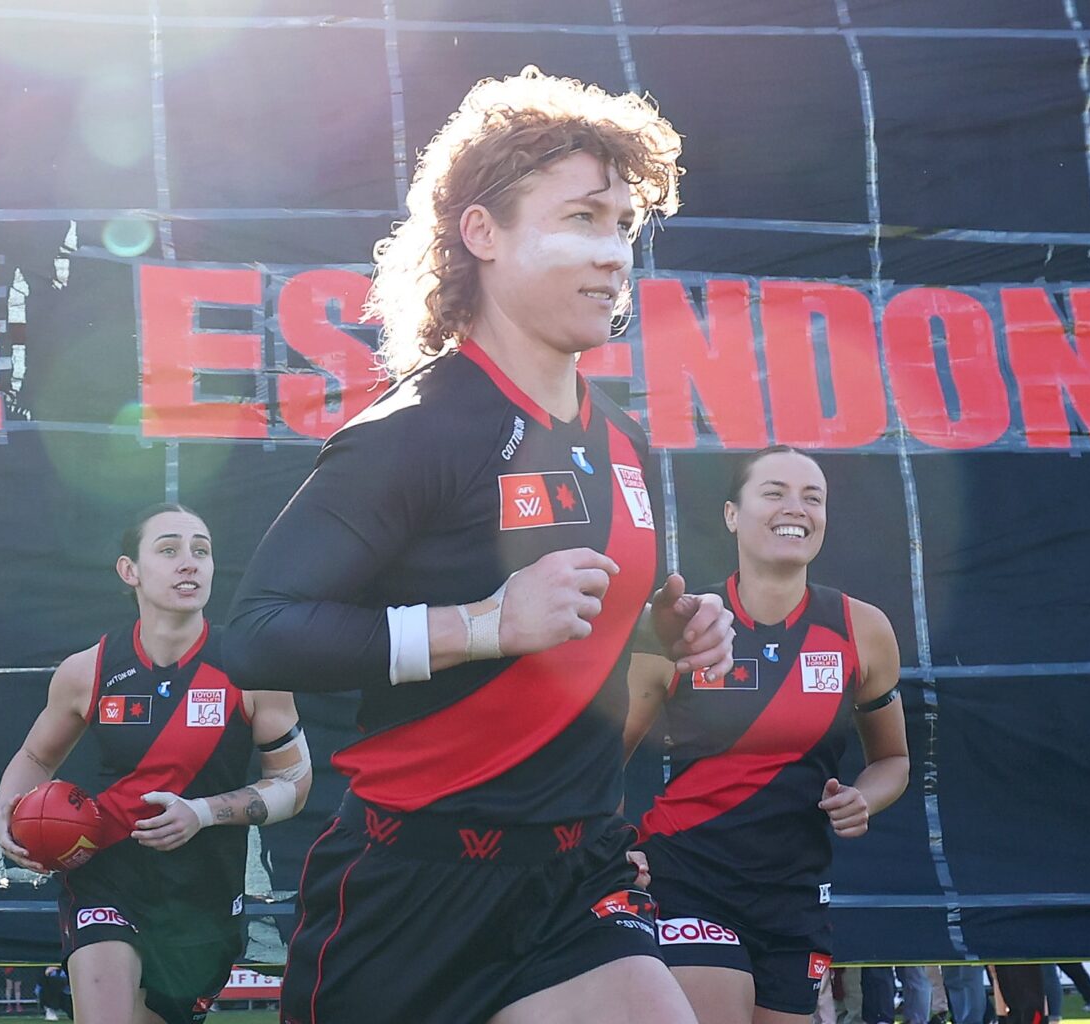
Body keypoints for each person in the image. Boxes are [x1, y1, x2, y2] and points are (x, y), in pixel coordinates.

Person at [224, 67, 732, 1024]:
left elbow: (577, 625)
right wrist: (484, 625)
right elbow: (258, 634)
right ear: (483, 234)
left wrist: (668, 627)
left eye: (625, 226)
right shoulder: (415, 429)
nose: (614, 253)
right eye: (582, 218)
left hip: (575, 881)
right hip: (409, 895)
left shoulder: (623, 437)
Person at [0, 505, 311, 1024]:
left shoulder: (252, 666)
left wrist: (201, 813)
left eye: (201, 550)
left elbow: (293, 784)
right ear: (129, 571)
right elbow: (35, 757)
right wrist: (6, 809)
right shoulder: (87, 670)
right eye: (169, 549)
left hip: (203, 895)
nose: (189, 562)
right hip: (107, 876)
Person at [623, 445, 908, 1024]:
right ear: (732, 514)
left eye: (812, 497)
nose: (795, 508)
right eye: (774, 492)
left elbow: (894, 758)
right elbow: (600, 756)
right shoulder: (686, 624)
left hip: (794, 897)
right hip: (688, 877)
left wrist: (863, 798)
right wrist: (610, 846)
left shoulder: (862, 628)